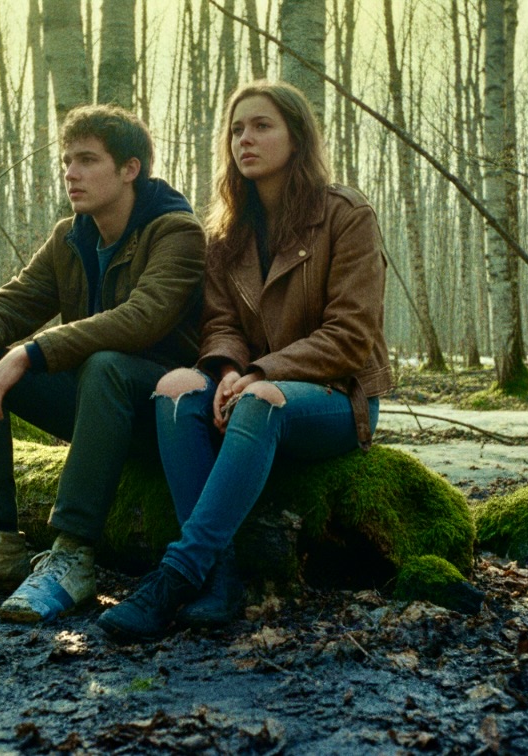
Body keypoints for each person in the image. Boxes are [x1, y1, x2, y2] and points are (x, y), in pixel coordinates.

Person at [96, 81, 392, 642]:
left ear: (297, 136)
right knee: (178, 387)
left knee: (259, 401)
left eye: (261, 126)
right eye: (236, 129)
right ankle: (222, 575)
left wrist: (259, 373)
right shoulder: (226, 231)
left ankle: (178, 574)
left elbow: (351, 336)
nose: (245, 139)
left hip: (336, 398)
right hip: (250, 386)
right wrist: (228, 369)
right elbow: (221, 324)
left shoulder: (347, 215)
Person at [0, 104, 206, 625]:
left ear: (130, 168)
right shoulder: (72, 236)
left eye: (88, 160)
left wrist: (31, 351)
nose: (71, 172)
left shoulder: (175, 231)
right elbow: (9, 303)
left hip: (164, 419)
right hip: (97, 412)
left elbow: (142, 319)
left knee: (104, 363)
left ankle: (74, 555)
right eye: (67, 160)